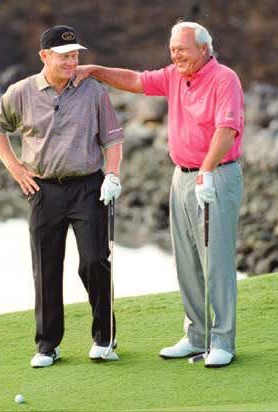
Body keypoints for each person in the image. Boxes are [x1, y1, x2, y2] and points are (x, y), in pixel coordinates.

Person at [76, 21, 244, 367]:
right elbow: (137, 81)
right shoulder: (175, 76)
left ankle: (222, 341)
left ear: (203, 49)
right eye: (172, 50)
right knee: (186, 261)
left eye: (182, 49)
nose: (175, 55)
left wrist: (208, 171)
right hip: (180, 177)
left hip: (216, 176)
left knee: (217, 263)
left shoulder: (224, 78)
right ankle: (197, 337)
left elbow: (227, 129)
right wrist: (95, 70)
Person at [0, 25, 124, 367]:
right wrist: (16, 168)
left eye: (75, 55)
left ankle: (105, 337)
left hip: (89, 187)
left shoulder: (93, 92)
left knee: (95, 261)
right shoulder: (21, 92)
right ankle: (48, 345)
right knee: (46, 268)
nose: (72, 61)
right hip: (44, 189)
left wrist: (112, 175)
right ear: (44, 56)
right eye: (64, 55)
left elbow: (112, 140)